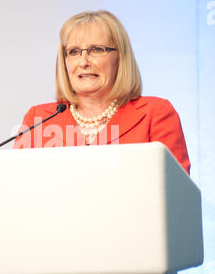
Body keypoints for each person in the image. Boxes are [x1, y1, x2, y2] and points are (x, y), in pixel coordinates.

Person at [13, 10, 190, 174]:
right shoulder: (38, 119)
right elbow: (17, 184)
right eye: (73, 52)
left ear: (120, 57)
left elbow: (175, 192)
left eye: (96, 50)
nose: (83, 62)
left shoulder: (155, 114)